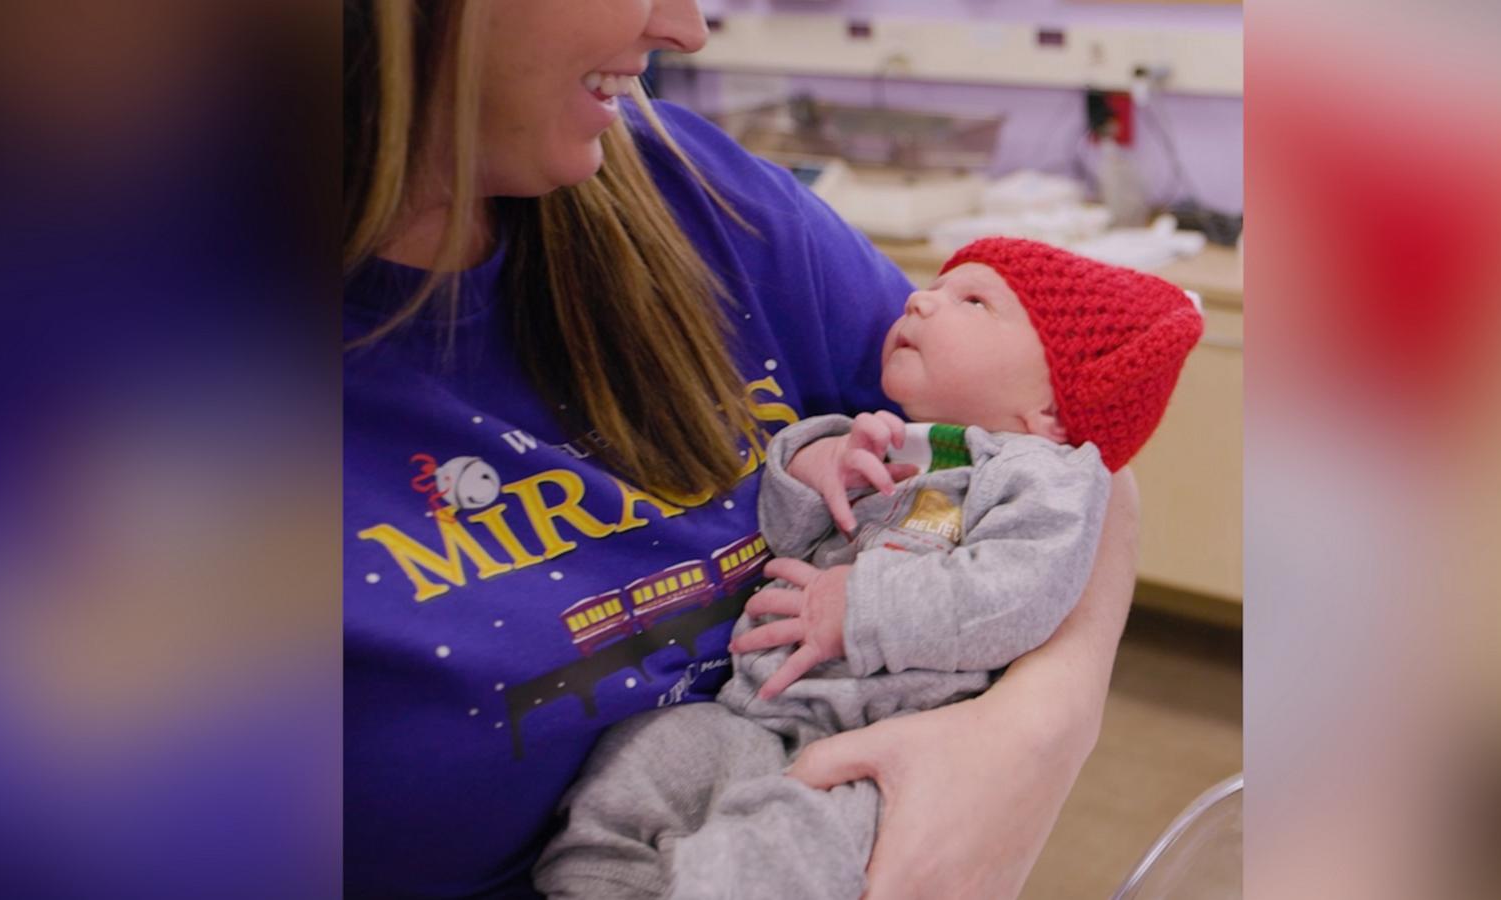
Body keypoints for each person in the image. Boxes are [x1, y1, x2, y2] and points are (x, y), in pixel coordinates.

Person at [343, 2, 1143, 897]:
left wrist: (1033, 735)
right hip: (707, 751)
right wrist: (815, 466)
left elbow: (1076, 463)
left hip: (810, 759)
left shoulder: (693, 190)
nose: (687, 29)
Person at [533, 239, 1202, 899]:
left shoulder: (1048, 478)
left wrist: (860, 606)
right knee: (644, 758)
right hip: (751, 714)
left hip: (875, 742)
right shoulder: (888, 438)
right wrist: (814, 468)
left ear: (1053, 410)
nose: (920, 300)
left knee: (782, 849)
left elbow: (1015, 596)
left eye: (973, 301)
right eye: (934, 288)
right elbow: (790, 541)